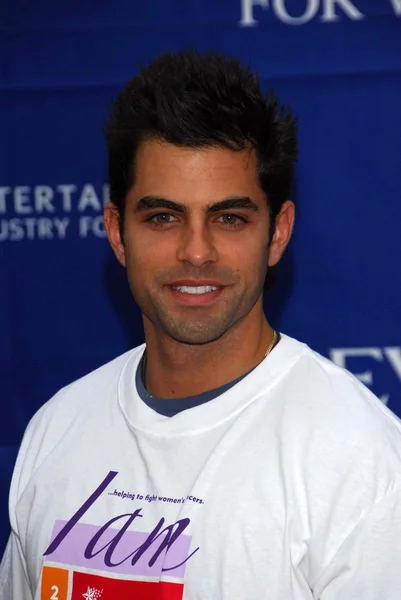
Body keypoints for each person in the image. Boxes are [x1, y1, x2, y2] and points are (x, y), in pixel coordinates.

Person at [1, 49, 401, 600]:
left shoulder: (361, 463)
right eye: (163, 217)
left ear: (278, 233)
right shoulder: (56, 430)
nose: (196, 251)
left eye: (229, 218)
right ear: (117, 232)